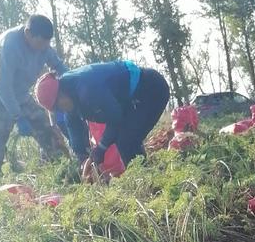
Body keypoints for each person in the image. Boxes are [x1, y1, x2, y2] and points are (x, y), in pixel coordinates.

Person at [34, 61, 170, 176]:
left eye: (58, 105)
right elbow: (73, 126)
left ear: (61, 93)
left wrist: (100, 149)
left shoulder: (87, 89)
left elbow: (116, 118)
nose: (61, 110)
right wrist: (82, 157)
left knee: (126, 141)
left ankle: (147, 182)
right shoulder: (71, 95)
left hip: (151, 89)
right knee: (127, 141)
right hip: (131, 102)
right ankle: (148, 178)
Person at [0, 14, 67, 173]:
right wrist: (18, 117)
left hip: (21, 95)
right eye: (41, 43)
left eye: (47, 43)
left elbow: (57, 65)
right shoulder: (9, 46)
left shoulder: (44, 46)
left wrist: (71, 80)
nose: (44, 48)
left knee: (48, 132)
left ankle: (63, 173)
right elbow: (2, 87)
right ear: (28, 34)